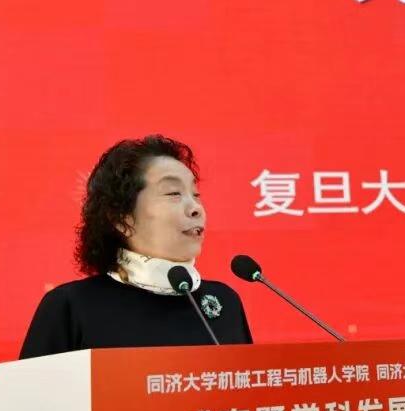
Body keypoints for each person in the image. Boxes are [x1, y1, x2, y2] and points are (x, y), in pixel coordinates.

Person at [18, 135, 252, 358]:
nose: (195, 208)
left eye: (196, 194)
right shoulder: (71, 306)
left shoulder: (224, 301)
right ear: (122, 219)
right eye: (173, 193)